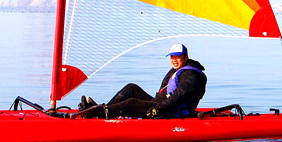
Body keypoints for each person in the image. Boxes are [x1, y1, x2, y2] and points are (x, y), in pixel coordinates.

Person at [79, 43, 207, 119]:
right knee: (131, 88)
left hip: (170, 111)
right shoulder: (179, 69)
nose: (174, 60)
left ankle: (97, 113)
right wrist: (159, 105)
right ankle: (105, 110)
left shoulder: (191, 74)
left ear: (186, 57)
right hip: (160, 104)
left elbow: (180, 95)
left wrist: (159, 108)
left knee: (131, 103)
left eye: (178, 57)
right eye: (172, 57)